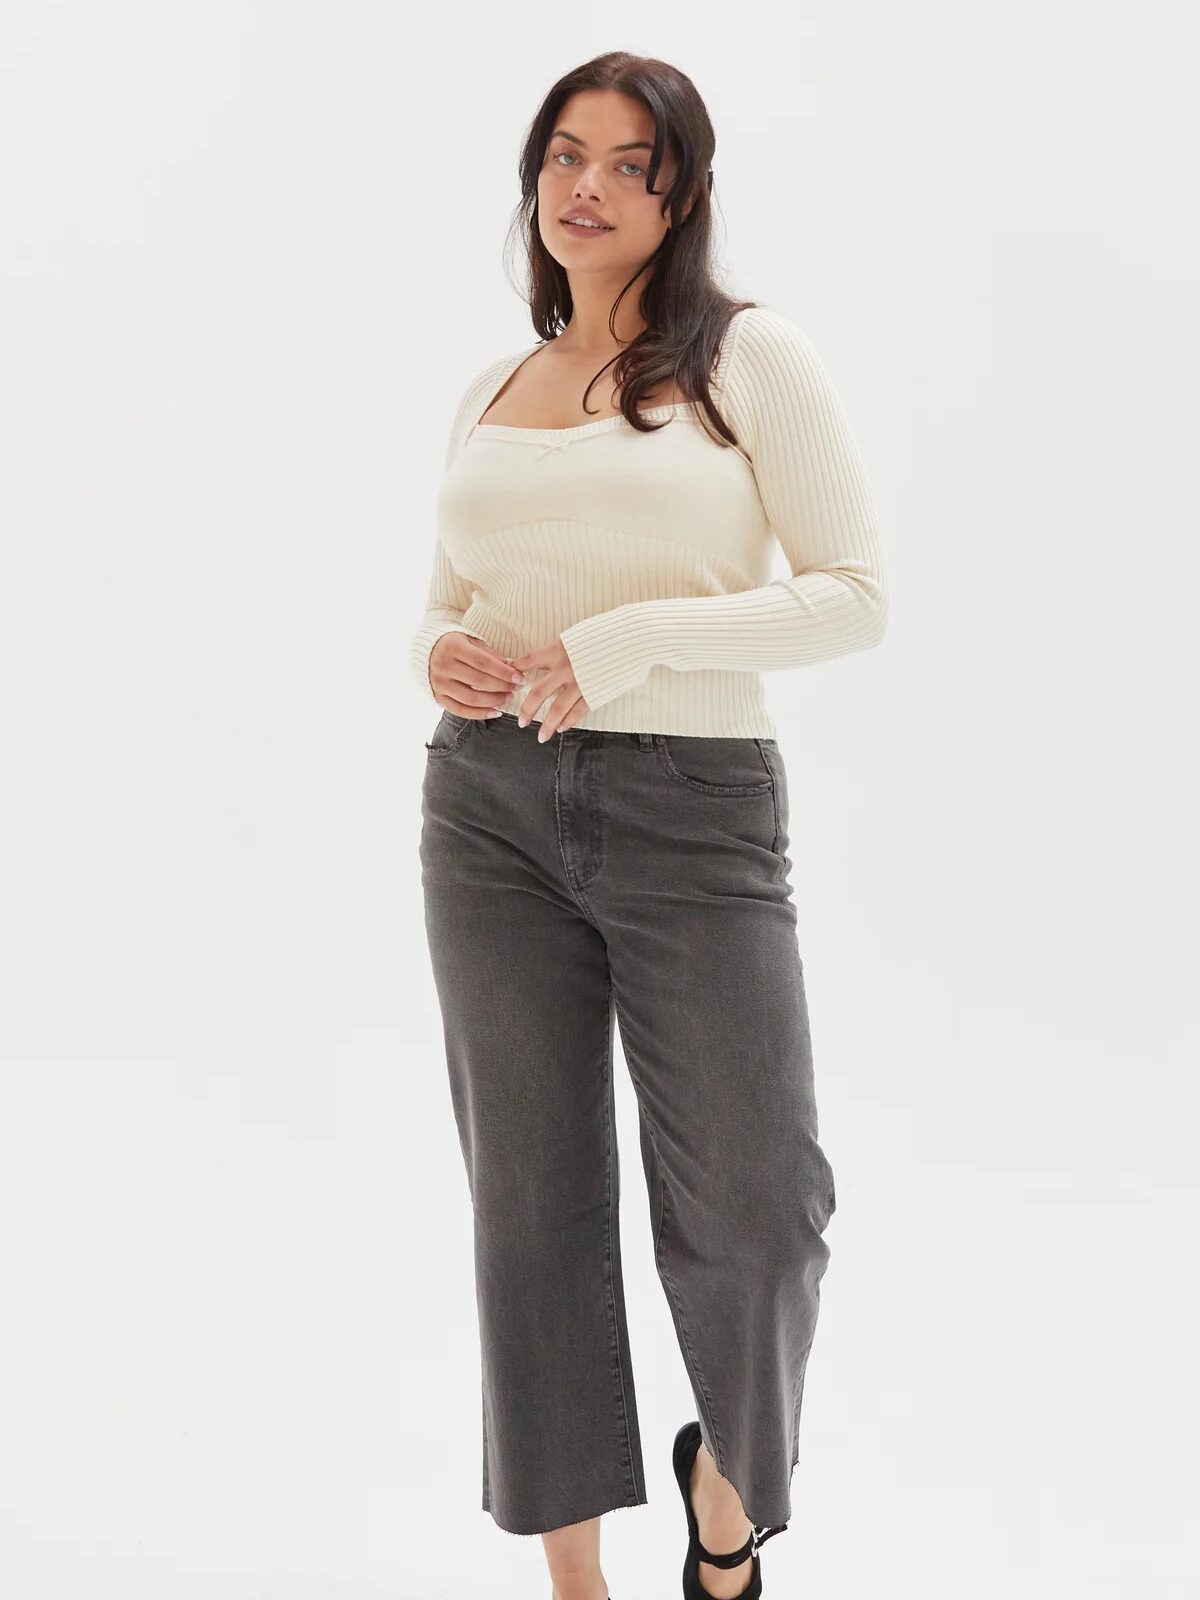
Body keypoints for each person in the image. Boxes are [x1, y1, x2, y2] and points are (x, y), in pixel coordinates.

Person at [410, 50, 888, 1600]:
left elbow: (852, 598)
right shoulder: (494, 388)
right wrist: (443, 655)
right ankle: (575, 1583)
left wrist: (632, 645)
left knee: (760, 1204)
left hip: (695, 813)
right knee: (529, 1205)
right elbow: (445, 603)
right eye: (562, 155)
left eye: (627, 163)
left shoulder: (745, 359)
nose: (586, 188)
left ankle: (728, 1499)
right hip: (485, 810)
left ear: (679, 192)